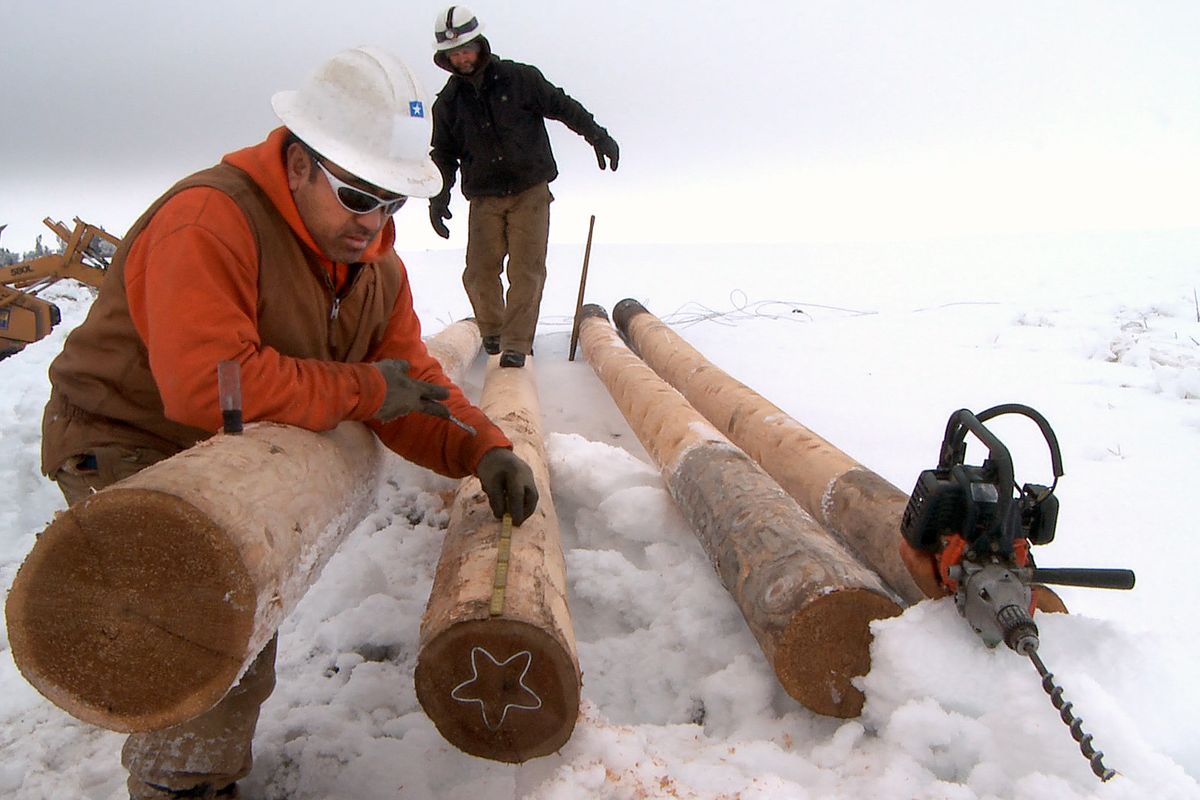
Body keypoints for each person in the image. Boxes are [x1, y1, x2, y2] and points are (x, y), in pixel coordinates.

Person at [39, 47, 538, 800]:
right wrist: (364, 390)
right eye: (355, 195)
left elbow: (414, 385)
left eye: (391, 204)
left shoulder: (374, 267)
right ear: (299, 164)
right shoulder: (209, 220)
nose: (372, 224)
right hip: (127, 436)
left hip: (233, 445)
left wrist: (484, 447)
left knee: (239, 618)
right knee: (208, 619)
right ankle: (184, 787)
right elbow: (213, 386)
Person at [427, 5, 619, 368]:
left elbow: (563, 106)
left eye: (466, 49)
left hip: (530, 190)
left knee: (526, 270)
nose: (461, 58)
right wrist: (439, 197)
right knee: (478, 272)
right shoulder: (448, 103)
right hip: (483, 197)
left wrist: (598, 136)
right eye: (453, 53)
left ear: (480, 44)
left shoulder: (520, 79)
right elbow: (444, 153)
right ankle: (495, 333)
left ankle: (516, 345)